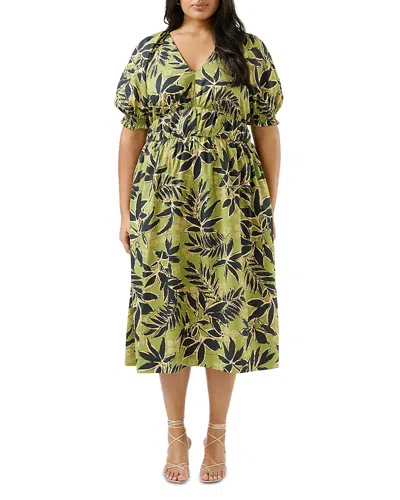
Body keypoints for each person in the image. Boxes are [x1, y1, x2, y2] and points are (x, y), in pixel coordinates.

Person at [113, 0, 284, 484]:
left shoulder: (248, 51)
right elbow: (131, 133)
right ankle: (175, 433)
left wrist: (267, 207)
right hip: (162, 199)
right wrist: (125, 212)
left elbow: (267, 130)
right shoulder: (149, 52)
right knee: (169, 309)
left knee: (224, 312)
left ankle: (216, 434)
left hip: (231, 199)